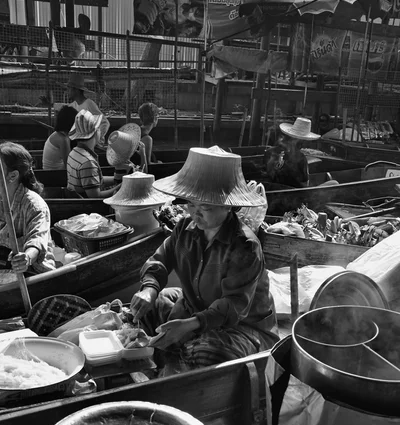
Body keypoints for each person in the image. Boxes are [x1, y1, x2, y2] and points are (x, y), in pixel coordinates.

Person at [130, 146, 279, 376]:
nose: (195, 214)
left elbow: (232, 307)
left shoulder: (245, 246)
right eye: (191, 204)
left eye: (205, 208)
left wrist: (189, 325)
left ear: (228, 206)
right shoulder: (184, 229)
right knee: (148, 307)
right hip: (196, 308)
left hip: (242, 326)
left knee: (208, 353)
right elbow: (159, 260)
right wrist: (149, 288)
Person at [0, 142, 55, 275]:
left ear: (12, 176)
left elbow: (37, 241)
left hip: (32, 271)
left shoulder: (35, 205)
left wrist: (26, 258)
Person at [67, 109, 120, 199]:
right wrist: (120, 188)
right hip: (90, 207)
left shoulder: (74, 152)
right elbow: (95, 196)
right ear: (95, 132)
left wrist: (116, 179)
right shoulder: (88, 162)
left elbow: (95, 180)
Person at [262, 117, 320, 189]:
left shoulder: (269, 152)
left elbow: (266, 175)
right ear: (298, 140)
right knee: (333, 183)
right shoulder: (301, 158)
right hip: (293, 195)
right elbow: (305, 184)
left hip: (269, 190)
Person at [66, 73, 110, 146]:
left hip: (93, 146)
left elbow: (105, 123)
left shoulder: (89, 104)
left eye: (69, 88)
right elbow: (63, 109)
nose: (67, 91)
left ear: (76, 90)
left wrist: (96, 139)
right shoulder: (73, 105)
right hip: (82, 144)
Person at [42, 105, 78, 170]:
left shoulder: (57, 134)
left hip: (52, 172)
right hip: (55, 175)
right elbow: (69, 165)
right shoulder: (63, 139)